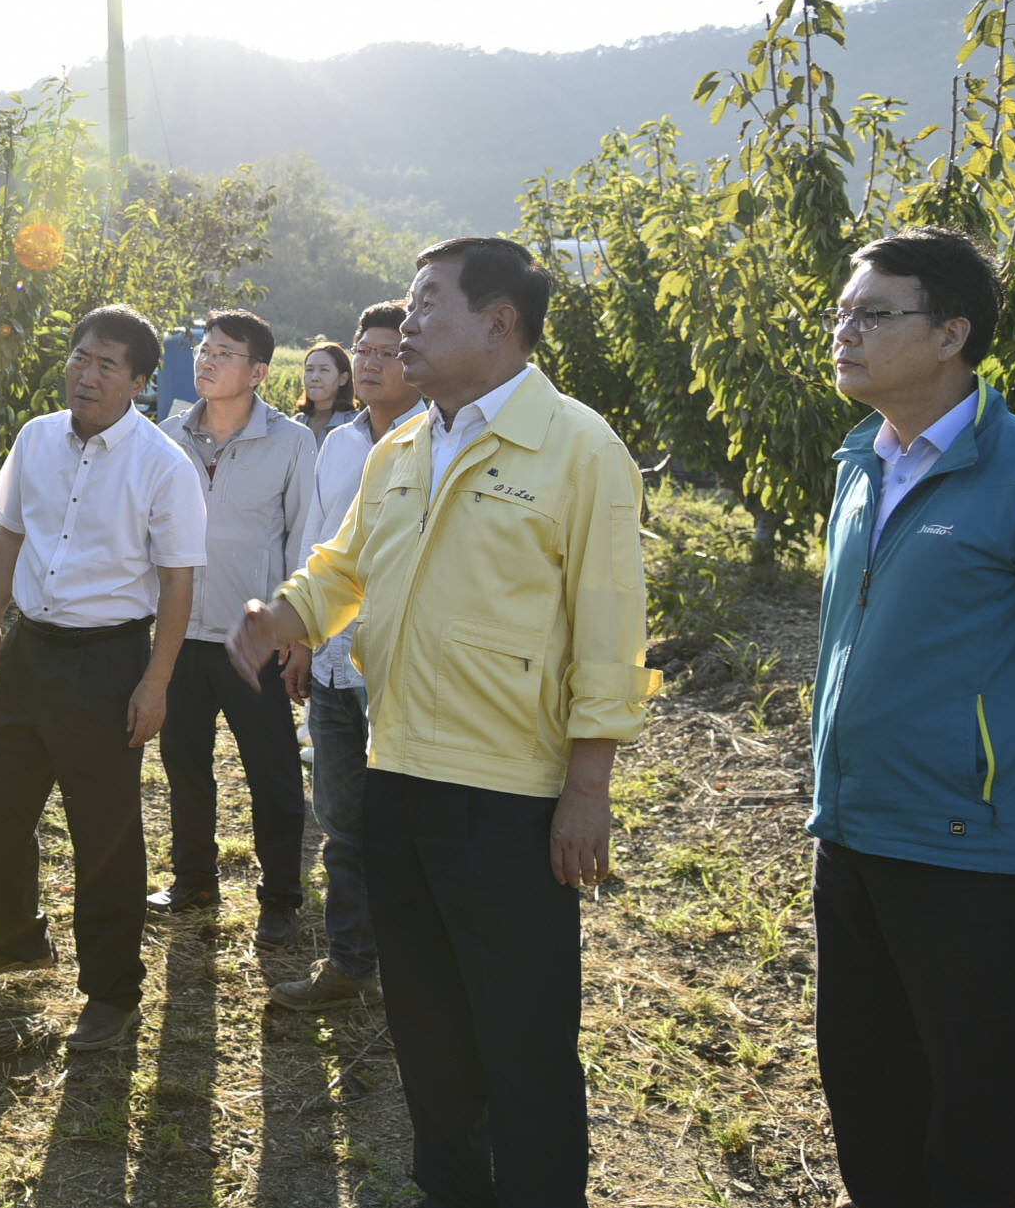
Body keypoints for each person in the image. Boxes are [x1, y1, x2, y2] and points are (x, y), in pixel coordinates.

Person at [229, 236, 651, 1206]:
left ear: (499, 323)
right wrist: (284, 614)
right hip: (400, 776)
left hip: (510, 795)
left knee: (523, 1036)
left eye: (427, 305)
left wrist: (588, 785)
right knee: (426, 1024)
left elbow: (610, 630)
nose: (405, 323)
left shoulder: (578, 447)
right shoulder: (403, 447)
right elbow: (344, 566)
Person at [808, 228, 1015, 1206]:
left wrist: (1014, 791)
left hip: (975, 859)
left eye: (874, 313)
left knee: (975, 1126)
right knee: (868, 1101)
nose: (845, 331)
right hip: (853, 834)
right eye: (841, 311)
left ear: (952, 332)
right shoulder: (862, 464)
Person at [0, 305, 208, 1056]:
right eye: (79, 358)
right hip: (30, 652)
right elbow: (10, 533)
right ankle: (16, 938)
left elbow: (178, 581)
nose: (86, 375)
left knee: (104, 836)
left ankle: (112, 991)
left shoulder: (163, 465)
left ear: (141, 381)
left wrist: (155, 681)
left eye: (106, 365)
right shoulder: (36, 438)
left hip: (106, 662)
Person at [270, 300, 424, 1011]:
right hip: (334, 665)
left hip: (400, 669)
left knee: (407, 828)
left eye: (387, 352)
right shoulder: (338, 442)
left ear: (416, 359)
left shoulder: (439, 441)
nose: (369, 363)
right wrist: (301, 636)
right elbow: (318, 544)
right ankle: (351, 960)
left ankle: (415, 974)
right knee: (340, 824)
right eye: (363, 349)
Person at [152, 310, 320, 947]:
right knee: (183, 763)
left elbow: (306, 540)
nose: (207, 360)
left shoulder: (292, 442)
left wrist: (297, 633)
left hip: (253, 639)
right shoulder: (168, 434)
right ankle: (194, 878)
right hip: (179, 634)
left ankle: (280, 896)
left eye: (225, 352)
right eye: (205, 349)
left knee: (272, 772)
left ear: (258, 372)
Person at [293, 339, 357, 445]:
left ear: (343, 378)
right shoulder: (294, 424)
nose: (314, 377)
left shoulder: (357, 425)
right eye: (309, 370)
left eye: (324, 370)